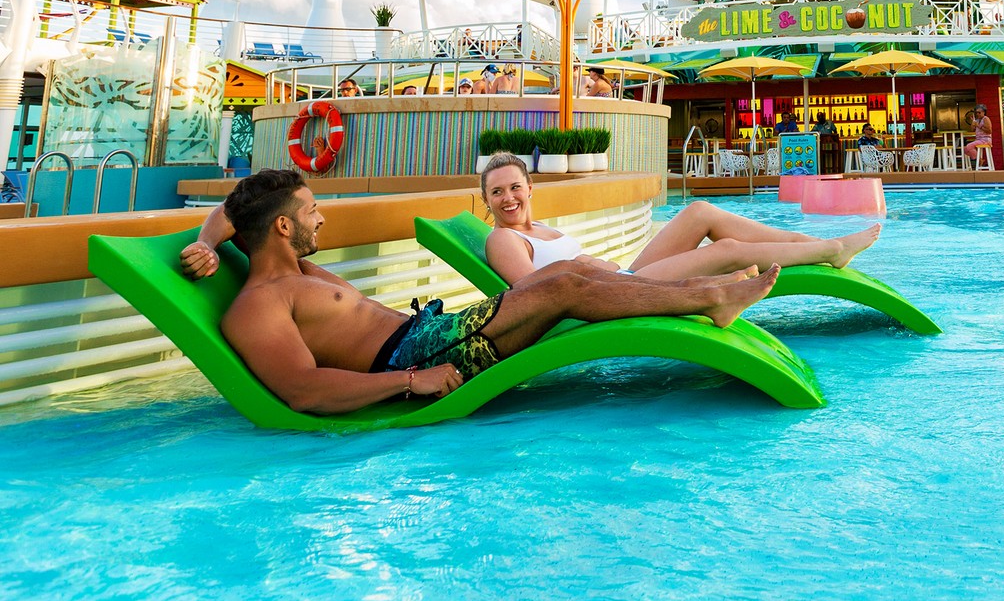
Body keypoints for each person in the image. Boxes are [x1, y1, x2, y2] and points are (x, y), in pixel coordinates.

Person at [176, 169, 777, 415]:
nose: (321, 220)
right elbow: (300, 389)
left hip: (428, 334)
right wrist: (410, 383)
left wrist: (208, 239)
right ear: (282, 228)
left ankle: (709, 289)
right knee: (564, 285)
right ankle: (710, 295)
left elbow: (238, 213)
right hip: (416, 358)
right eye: (310, 211)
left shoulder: (298, 274)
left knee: (566, 275)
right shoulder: (259, 306)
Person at [480, 153, 880, 283]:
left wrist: (589, 264)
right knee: (727, 251)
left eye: (514, 187)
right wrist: (584, 266)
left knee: (698, 211)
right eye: (497, 192)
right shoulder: (503, 239)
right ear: (486, 201)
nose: (508, 198)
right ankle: (831, 249)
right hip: (618, 295)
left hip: (623, 278)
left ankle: (806, 243)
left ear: (530, 188)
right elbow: (532, 293)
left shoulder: (540, 229)